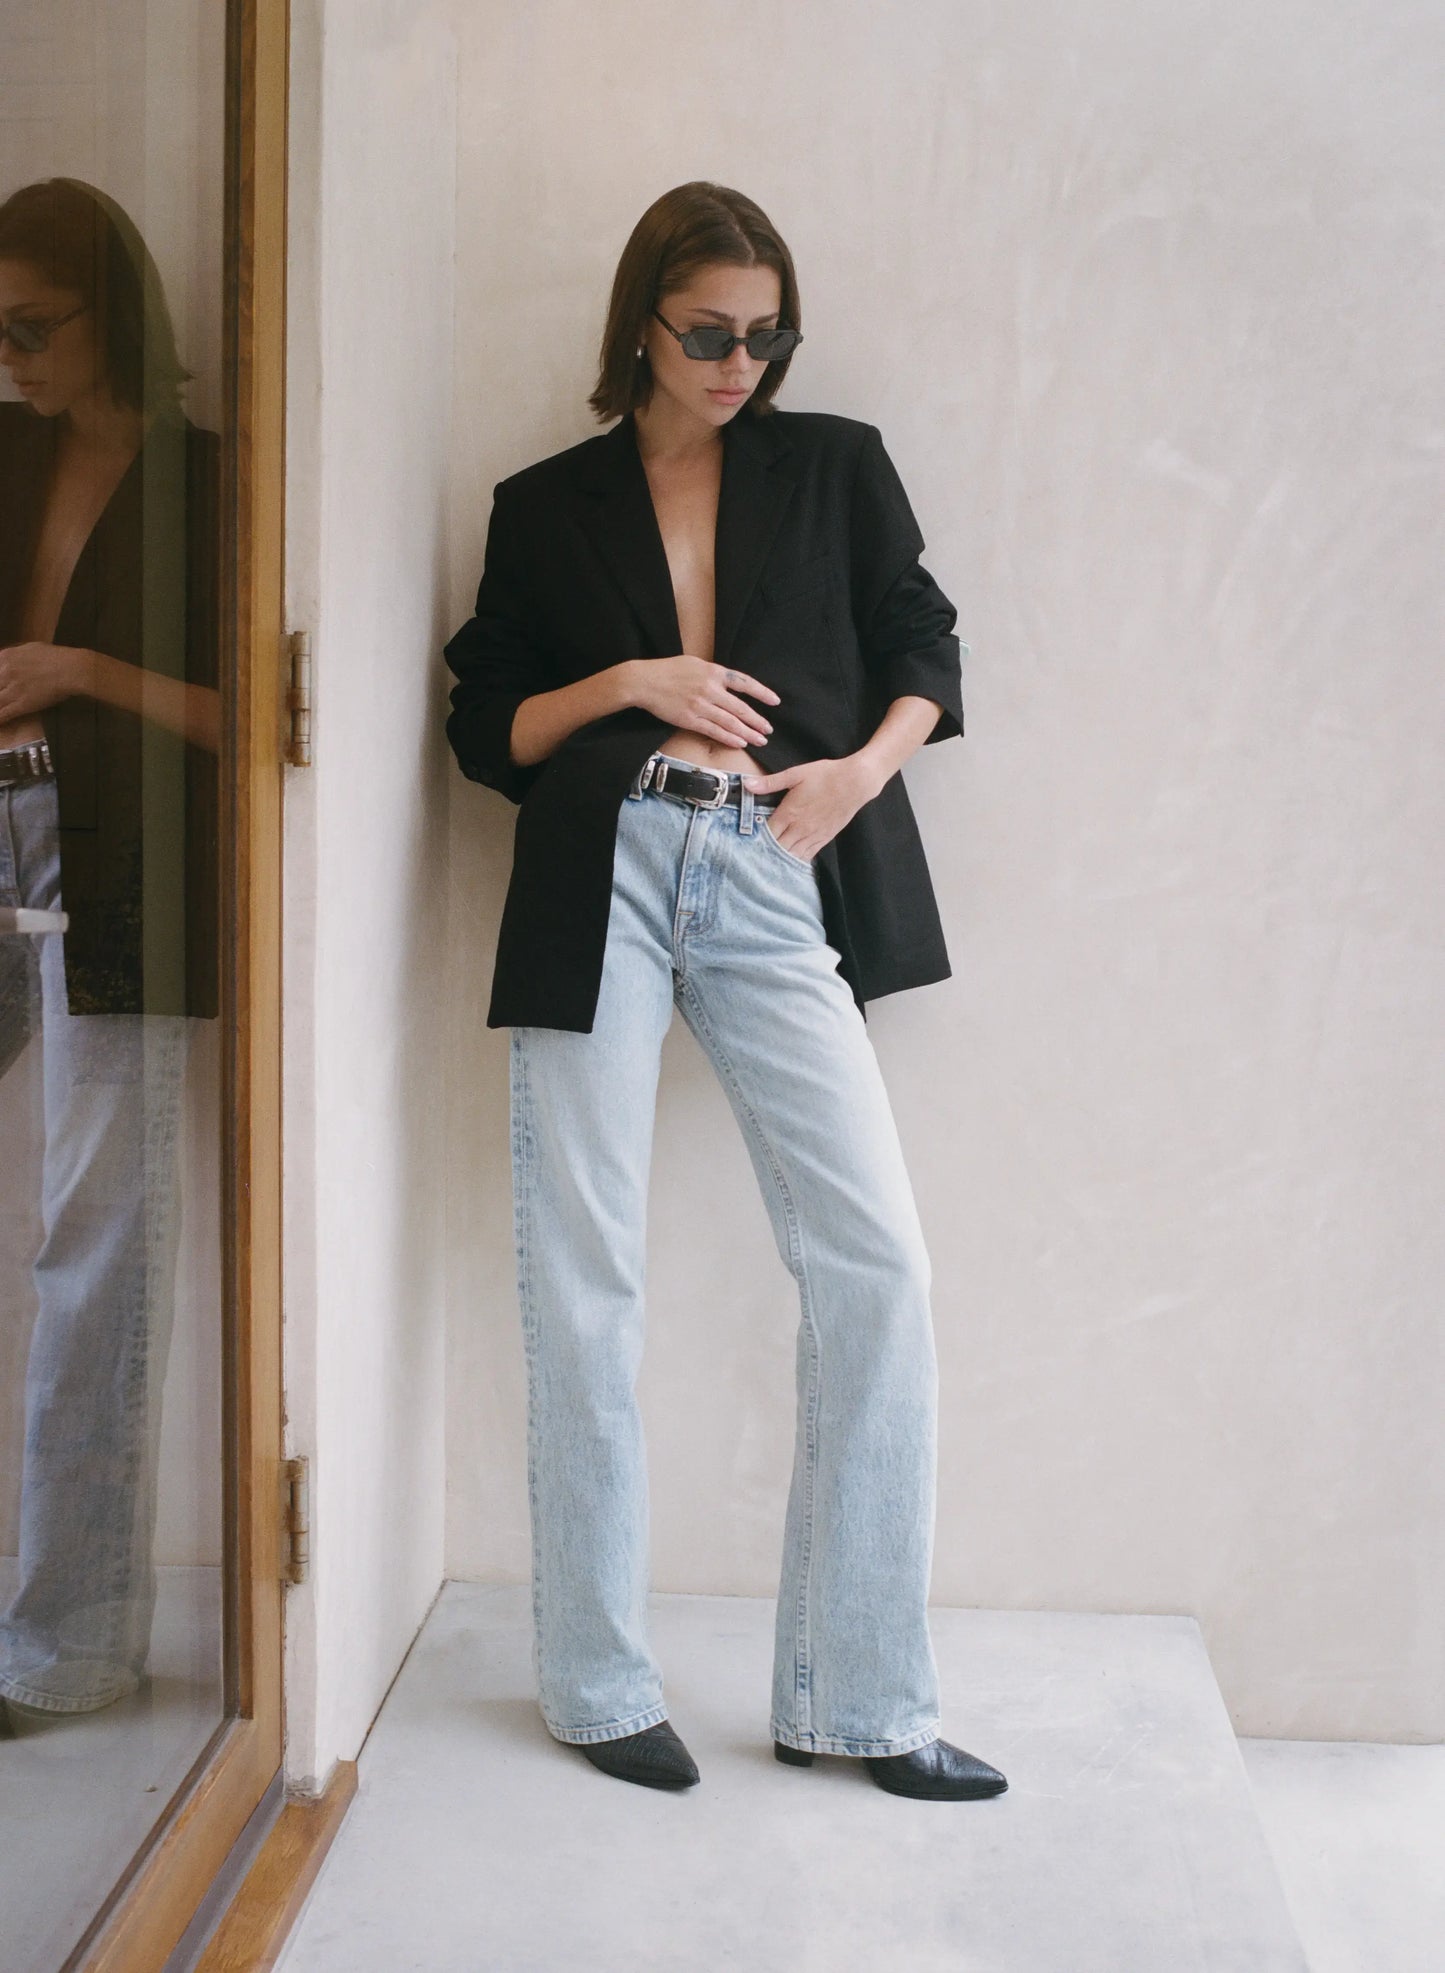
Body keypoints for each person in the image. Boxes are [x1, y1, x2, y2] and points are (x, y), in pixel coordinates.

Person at [444, 181, 1005, 1802]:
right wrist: (625, 682)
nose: (738, 360)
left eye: (765, 334)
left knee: (875, 1263)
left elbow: (926, 644)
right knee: (586, 1270)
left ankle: (857, 1696)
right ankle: (593, 1675)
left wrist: (855, 777)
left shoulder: (831, 465)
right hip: (598, 865)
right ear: (641, 323)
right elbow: (487, 726)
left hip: (771, 863)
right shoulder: (543, 503)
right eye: (708, 331)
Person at [0, 178, 219, 1724]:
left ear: (109, 316)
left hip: (121, 864)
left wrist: (83, 666)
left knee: (94, 1244)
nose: (7, 355)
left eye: (32, 325)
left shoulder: (209, 483)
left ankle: (72, 1639)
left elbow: (249, 716)